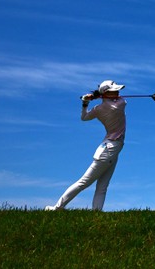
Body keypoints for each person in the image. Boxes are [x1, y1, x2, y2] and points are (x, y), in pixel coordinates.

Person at [46, 80, 127, 211]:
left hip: (111, 147)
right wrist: (98, 96)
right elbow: (123, 100)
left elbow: (84, 117)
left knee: (102, 186)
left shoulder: (98, 109)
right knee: (84, 182)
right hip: (109, 150)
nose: (118, 93)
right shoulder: (118, 105)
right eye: (114, 91)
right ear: (106, 93)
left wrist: (86, 102)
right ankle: (57, 207)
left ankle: (96, 213)